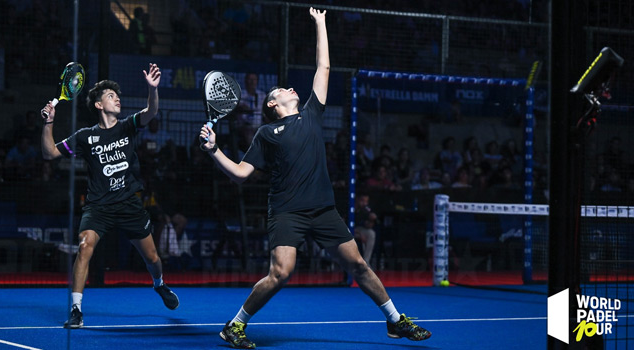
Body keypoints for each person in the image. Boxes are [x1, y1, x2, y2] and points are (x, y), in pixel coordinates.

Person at [198, 8, 430, 349]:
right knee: (281, 273)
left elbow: (324, 67)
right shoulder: (266, 132)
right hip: (287, 211)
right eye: (281, 90)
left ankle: (395, 321)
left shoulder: (311, 113)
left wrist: (321, 23)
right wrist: (214, 151)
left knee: (359, 265)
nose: (290, 88)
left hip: (323, 209)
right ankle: (234, 325)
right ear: (273, 104)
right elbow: (241, 174)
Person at [40, 63, 179, 329]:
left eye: (117, 96)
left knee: (152, 258)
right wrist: (49, 122)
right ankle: (77, 310)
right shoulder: (85, 136)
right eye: (111, 96)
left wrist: (153, 89)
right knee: (84, 247)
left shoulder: (127, 126)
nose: (117, 98)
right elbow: (49, 153)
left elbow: (151, 112)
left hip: (129, 204)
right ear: (99, 105)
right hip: (98, 207)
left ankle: (159, 285)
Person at [354, 193, 377, 266]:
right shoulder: (350, 208)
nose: (364, 203)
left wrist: (372, 220)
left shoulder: (365, 210)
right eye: (362, 201)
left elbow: (366, 225)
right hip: (348, 230)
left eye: (366, 201)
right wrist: (360, 235)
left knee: (371, 233)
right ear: (357, 200)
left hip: (359, 230)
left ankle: (366, 261)